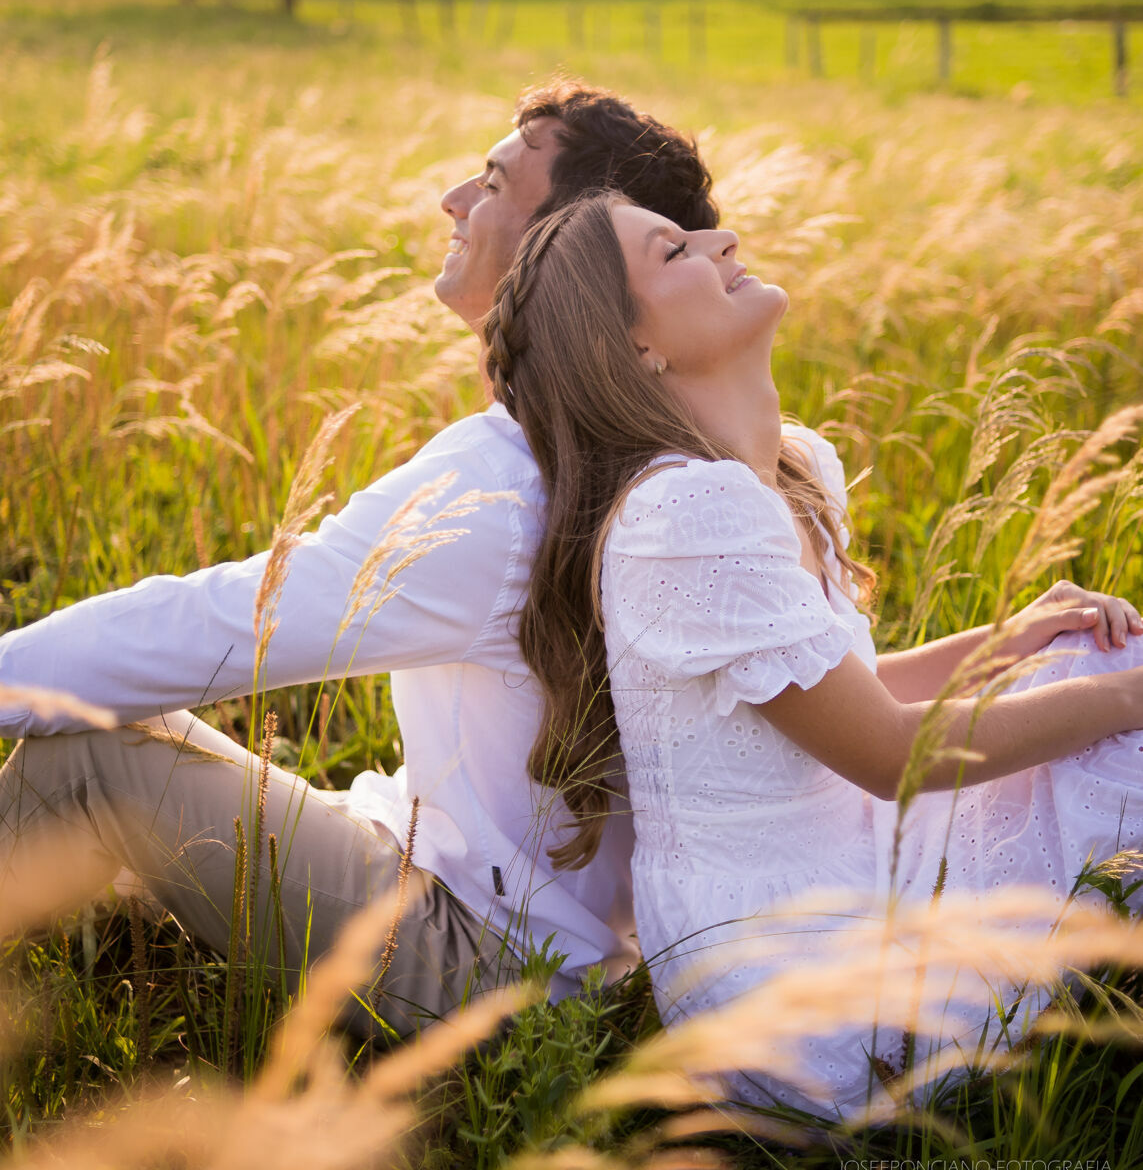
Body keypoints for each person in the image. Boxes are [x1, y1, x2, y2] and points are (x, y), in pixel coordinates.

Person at [0, 82, 720, 1041]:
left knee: (91, 751)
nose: (454, 200)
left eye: (496, 182)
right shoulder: (658, 446)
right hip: (528, 932)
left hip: (485, 966)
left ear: (565, 247)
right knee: (128, 790)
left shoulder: (498, 489)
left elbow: (221, 628)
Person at [483, 189, 1143, 1121]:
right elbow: (886, 755)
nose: (723, 240)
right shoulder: (685, 513)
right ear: (635, 348)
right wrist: (1129, 699)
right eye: (675, 252)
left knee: (1085, 658)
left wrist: (1008, 641)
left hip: (857, 865)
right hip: (796, 985)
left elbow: (841, 702)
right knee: (1120, 718)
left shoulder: (782, 471)